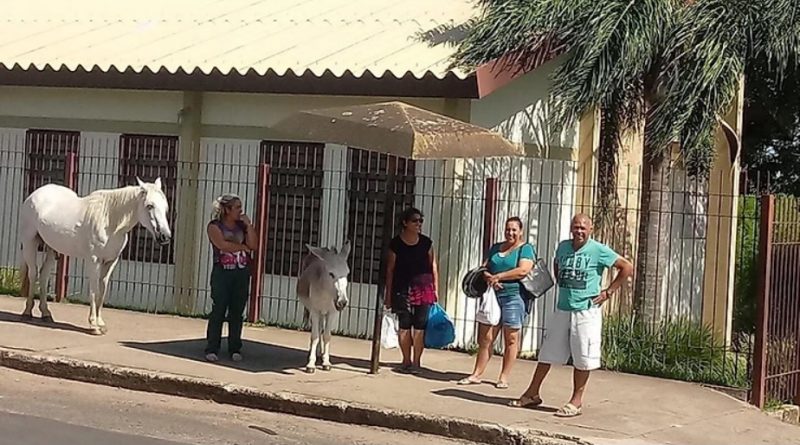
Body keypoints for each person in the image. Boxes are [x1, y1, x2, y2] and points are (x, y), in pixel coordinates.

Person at [509, 213, 633, 417]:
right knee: (547, 352)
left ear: (590, 229)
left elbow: (626, 267)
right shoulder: (563, 246)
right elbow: (557, 266)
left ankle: (576, 401)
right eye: (576, 227)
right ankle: (532, 393)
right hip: (563, 307)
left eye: (583, 228)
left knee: (583, 356)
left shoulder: (598, 250)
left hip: (586, 310)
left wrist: (608, 291)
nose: (579, 231)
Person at [459, 217, 535, 389]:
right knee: (486, 337)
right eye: (508, 229)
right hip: (493, 296)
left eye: (514, 230)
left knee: (511, 338)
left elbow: (523, 270)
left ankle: (504, 377)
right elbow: (484, 268)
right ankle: (477, 374)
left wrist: (499, 276)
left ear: (521, 231)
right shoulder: (495, 248)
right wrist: (489, 277)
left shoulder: (526, 249)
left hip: (514, 296)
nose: (510, 233)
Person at [384, 207, 439, 374]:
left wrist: (436, 288)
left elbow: (433, 266)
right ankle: (406, 360)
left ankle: (417, 362)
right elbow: (390, 270)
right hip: (402, 289)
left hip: (423, 288)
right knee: (404, 325)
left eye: (420, 221)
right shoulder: (396, 244)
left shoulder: (426, 243)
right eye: (415, 221)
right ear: (405, 223)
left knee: (420, 326)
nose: (418, 224)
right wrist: (388, 294)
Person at [204, 194, 258, 363]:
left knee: (237, 311)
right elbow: (222, 245)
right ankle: (212, 348)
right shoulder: (215, 226)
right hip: (222, 272)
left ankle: (235, 347)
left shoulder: (241, 226)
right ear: (226, 210)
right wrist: (242, 247)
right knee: (219, 309)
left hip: (241, 272)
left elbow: (254, 245)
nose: (240, 210)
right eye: (237, 207)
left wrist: (249, 226)